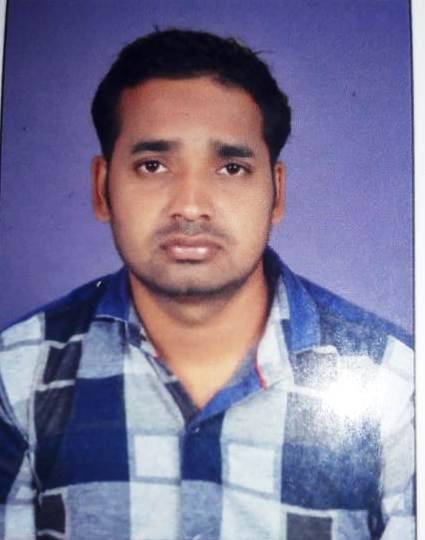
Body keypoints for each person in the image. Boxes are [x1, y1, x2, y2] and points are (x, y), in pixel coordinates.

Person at [0, 29, 414, 540]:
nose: (191, 206)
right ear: (102, 188)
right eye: (153, 165)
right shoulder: (16, 374)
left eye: (231, 168)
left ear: (277, 193)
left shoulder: (398, 387)